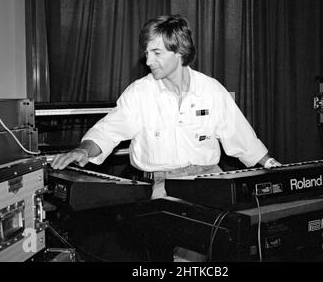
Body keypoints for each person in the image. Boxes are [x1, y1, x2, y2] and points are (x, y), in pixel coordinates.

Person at [51, 14, 281, 260]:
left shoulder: (212, 90)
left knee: (215, 248)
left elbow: (242, 138)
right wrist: (83, 150)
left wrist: (272, 165)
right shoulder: (140, 93)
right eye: (147, 52)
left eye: (156, 52)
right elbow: (106, 131)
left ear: (179, 52)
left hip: (208, 184)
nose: (148, 60)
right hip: (158, 188)